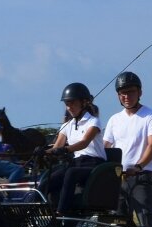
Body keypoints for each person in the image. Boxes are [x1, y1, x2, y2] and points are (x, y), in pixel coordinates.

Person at [103, 72, 152, 227]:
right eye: (122, 93)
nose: (126, 96)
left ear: (140, 92)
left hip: (140, 176)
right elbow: (106, 147)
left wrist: (138, 167)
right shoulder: (114, 120)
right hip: (118, 177)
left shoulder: (151, 116)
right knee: (119, 225)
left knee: (146, 221)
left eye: (130, 91)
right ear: (118, 96)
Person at [44, 83, 106, 215]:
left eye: (72, 103)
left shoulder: (93, 122)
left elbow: (84, 143)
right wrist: (43, 152)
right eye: (67, 104)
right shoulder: (67, 125)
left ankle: (61, 213)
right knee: (48, 179)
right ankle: (35, 213)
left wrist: (66, 150)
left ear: (84, 102)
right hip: (77, 163)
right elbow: (57, 147)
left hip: (94, 165)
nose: (69, 107)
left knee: (70, 173)